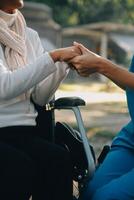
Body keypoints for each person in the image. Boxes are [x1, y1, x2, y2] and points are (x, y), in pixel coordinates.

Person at [0, 1, 81, 200]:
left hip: (24, 131)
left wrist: (63, 64)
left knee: (58, 159)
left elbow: (40, 96)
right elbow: (4, 86)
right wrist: (53, 57)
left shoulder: (29, 35)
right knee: (19, 167)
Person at [70, 41, 134, 200]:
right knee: (90, 192)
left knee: (107, 197)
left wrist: (101, 64)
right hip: (131, 139)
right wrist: (98, 62)